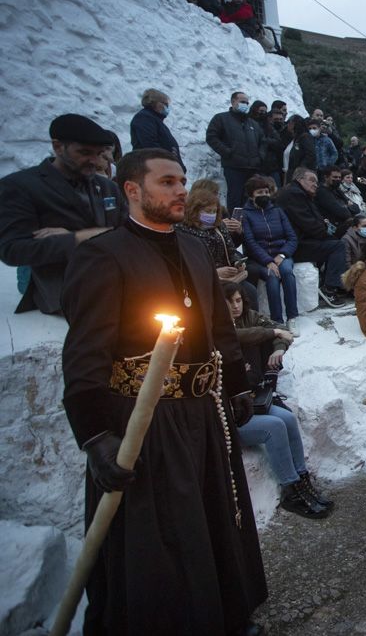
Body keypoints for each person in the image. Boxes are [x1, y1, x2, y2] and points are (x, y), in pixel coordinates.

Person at [60, 148, 266, 635]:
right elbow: (85, 351)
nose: (180, 191)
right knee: (167, 533)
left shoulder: (197, 248)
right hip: (145, 420)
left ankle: (224, 614)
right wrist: (94, 435)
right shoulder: (103, 255)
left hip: (204, 411)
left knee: (215, 514)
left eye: (181, 181)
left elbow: (218, 325)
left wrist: (235, 385)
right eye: (167, 183)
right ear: (133, 190)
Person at [222, 282, 332, 519]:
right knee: (274, 427)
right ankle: (290, 489)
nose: (235, 306)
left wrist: (278, 348)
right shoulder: (216, 330)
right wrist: (271, 334)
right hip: (229, 413)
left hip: (251, 402)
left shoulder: (248, 317)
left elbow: (280, 328)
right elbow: (237, 337)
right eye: (229, 302)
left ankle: (302, 481)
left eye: (239, 300)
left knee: (288, 418)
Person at [0, 114, 124, 315]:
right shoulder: (20, 186)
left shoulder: (108, 187)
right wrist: (74, 240)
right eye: (84, 152)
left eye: (99, 153)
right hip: (65, 292)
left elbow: (129, 231)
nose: (94, 161)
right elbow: (13, 250)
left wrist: (84, 235)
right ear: (58, 147)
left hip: (115, 281)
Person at [273, 167, 350, 308]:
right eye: (311, 180)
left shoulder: (299, 193)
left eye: (316, 181)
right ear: (299, 179)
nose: (315, 184)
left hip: (301, 239)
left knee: (334, 242)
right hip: (295, 245)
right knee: (338, 246)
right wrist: (324, 230)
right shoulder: (295, 194)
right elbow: (308, 223)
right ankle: (330, 289)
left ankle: (329, 283)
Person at [175, 184, 257, 311]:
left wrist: (236, 262)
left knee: (249, 291)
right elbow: (186, 263)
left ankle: (248, 326)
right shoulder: (183, 231)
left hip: (228, 277)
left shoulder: (219, 227)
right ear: (195, 210)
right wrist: (215, 272)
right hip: (203, 280)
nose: (211, 215)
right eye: (207, 212)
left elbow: (231, 250)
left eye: (214, 211)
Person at [241, 175, 299, 329]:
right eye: (260, 192)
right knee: (272, 276)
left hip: (281, 254)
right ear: (251, 195)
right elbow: (250, 242)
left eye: (266, 192)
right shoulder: (246, 214)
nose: (264, 195)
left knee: (287, 271)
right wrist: (268, 261)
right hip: (260, 259)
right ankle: (277, 321)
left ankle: (292, 317)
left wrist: (281, 255)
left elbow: (292, 237)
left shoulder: (278, 211)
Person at [206, 91, 265, 208]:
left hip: (253, 167)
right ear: (233, 102)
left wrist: (260, 157)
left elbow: (263, 142)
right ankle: (234, 223)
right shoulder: (221, 118)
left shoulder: (252, 123)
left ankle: (247, 223)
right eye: (242, 102)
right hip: (234, 166)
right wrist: (228, 152)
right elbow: (211, 137)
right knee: (235, 198)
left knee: (251, 198)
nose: (246, 105)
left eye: (247, 103)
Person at [129, 88, 183, 169]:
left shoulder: (156, 120)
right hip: (153, 167)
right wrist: (169, 162)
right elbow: (150, 144)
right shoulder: (144, 118)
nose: (167, 107)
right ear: (154, 103)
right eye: (165, 104)